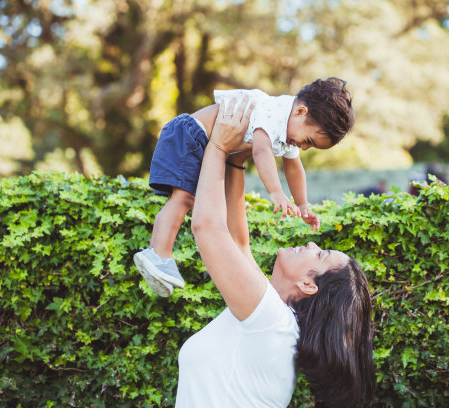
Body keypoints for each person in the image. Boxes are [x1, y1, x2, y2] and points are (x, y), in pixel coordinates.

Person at [174, 96, 375, 407]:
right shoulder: (277, 321)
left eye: (319, 255)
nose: (311, 244)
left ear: (309, 285)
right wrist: (235, 162)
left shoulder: (273, 323)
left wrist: (217, 147)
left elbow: (208, 228)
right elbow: (238, 243)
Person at [134, 78, 355, 296]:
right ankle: (158, 254)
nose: (304, 148)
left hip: (200, 141)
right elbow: (261, 152)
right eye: (308, 140)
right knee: (183, 199)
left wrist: (303, 204)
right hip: (190, 134)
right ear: (300, 112)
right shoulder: (273, 113)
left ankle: (157, 254)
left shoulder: (289, 127)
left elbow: (294, 167)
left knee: (186, 200)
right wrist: (276, 192)